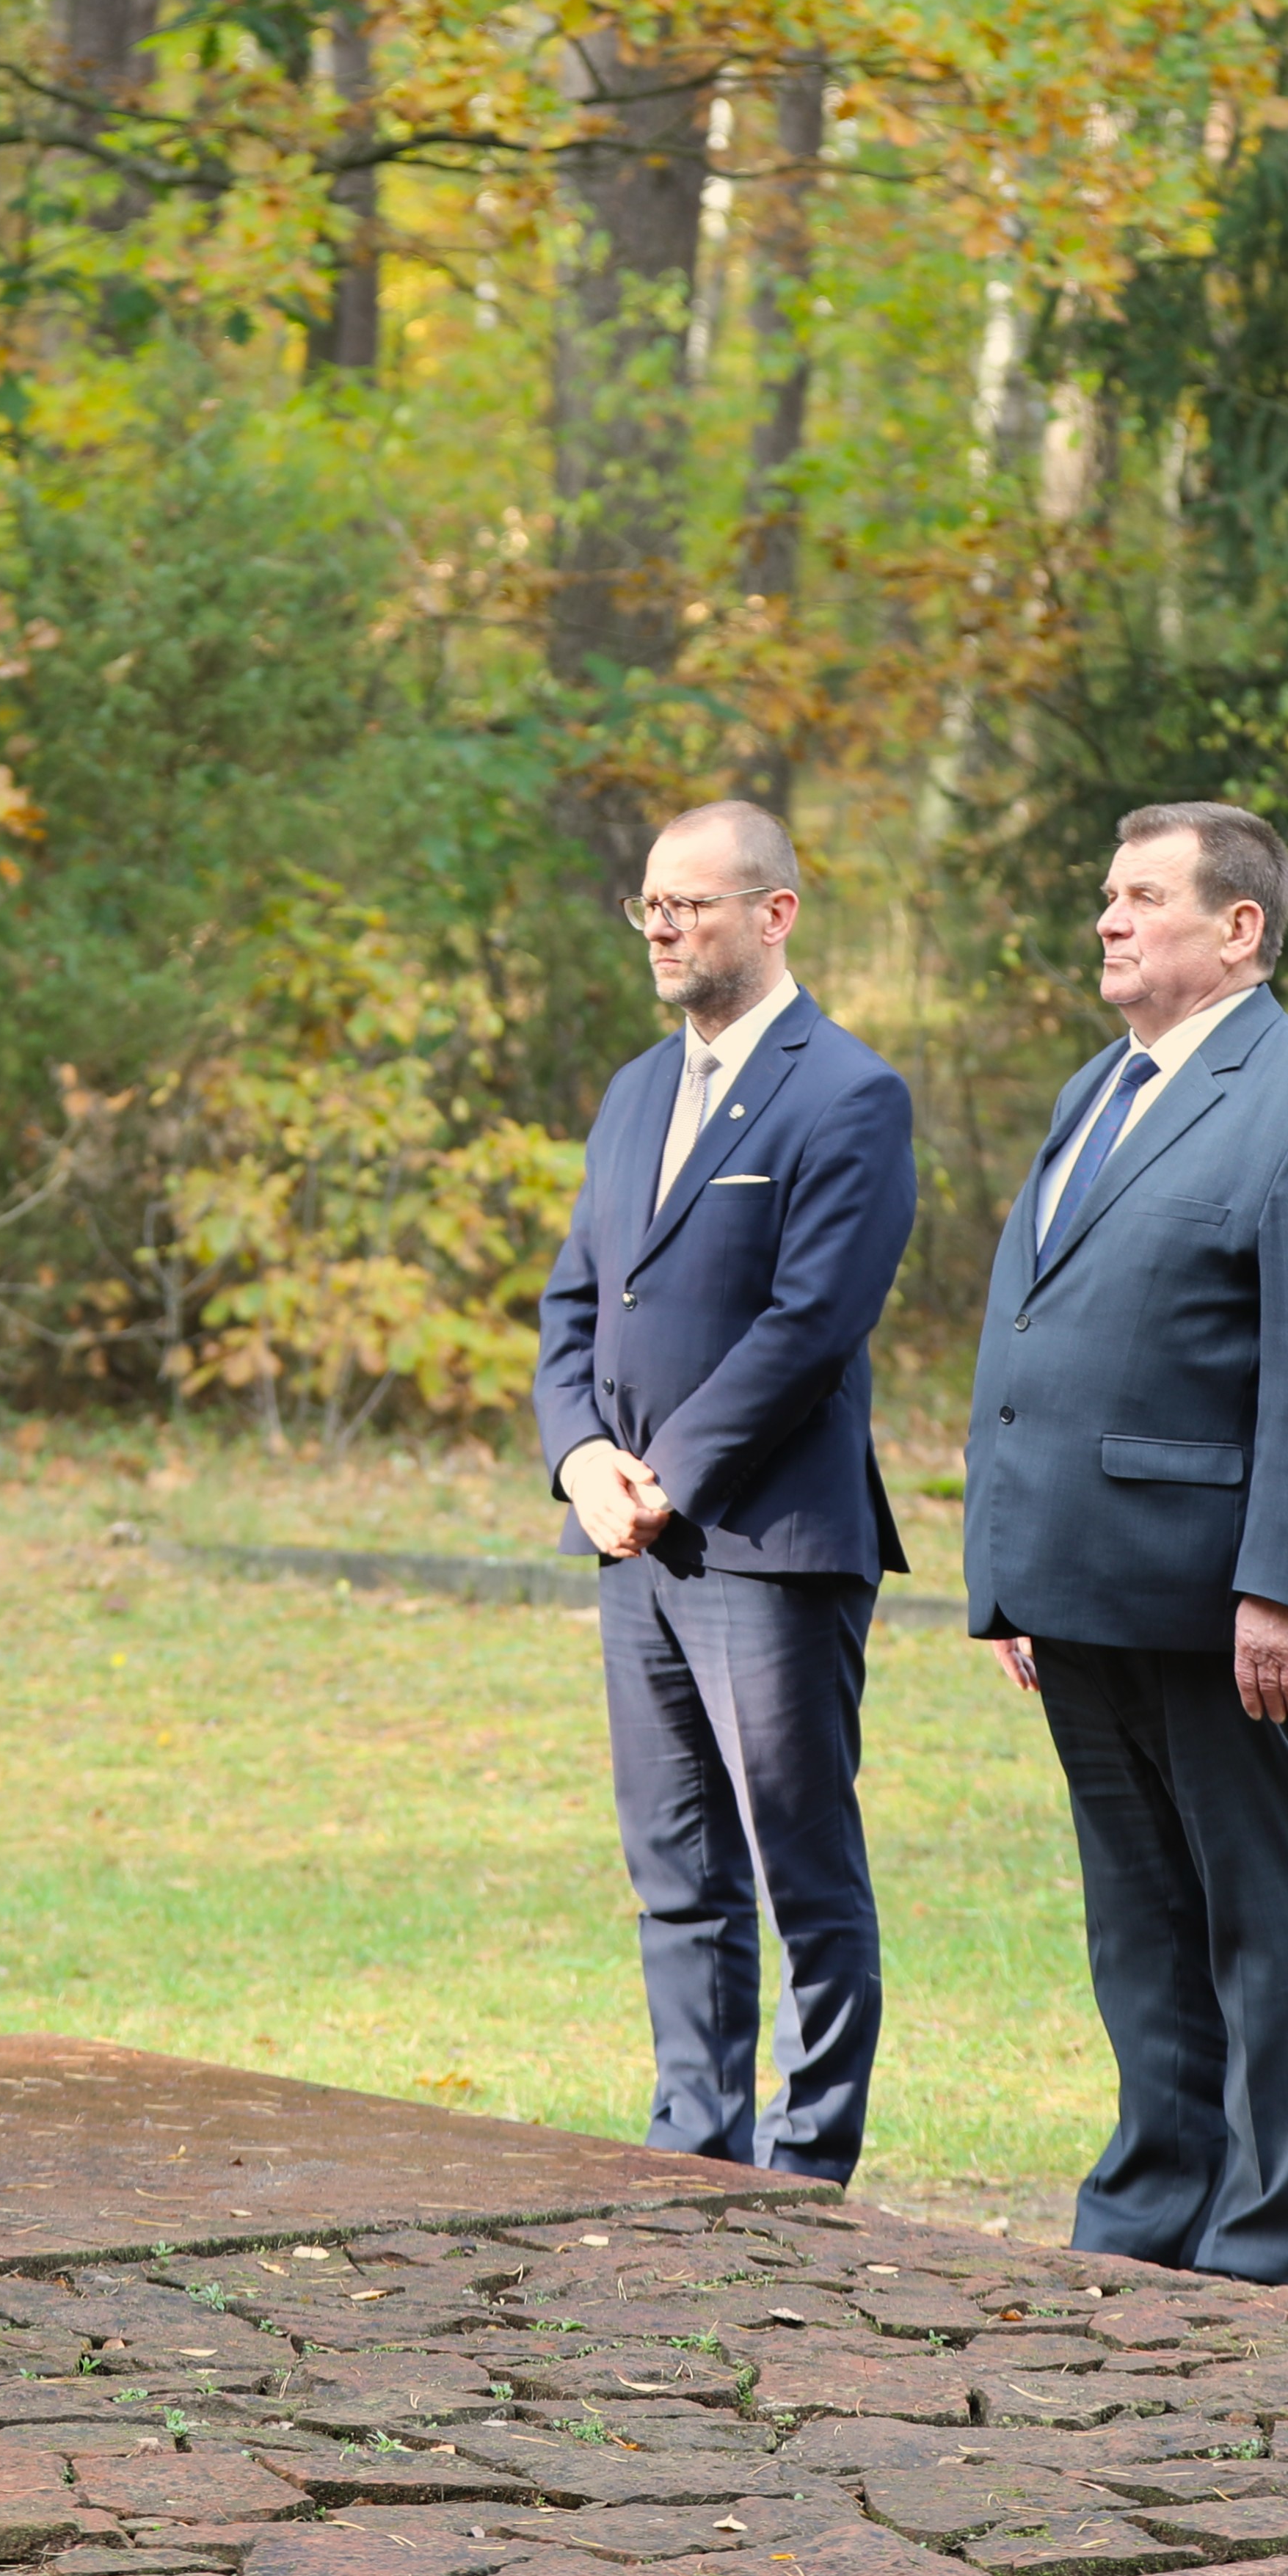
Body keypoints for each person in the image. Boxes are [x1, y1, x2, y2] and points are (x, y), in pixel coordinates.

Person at [961, 801, 1288, 2284]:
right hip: (1076, 1591)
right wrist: (1012, 1570)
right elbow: (1042, 1318)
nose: (1108, 918)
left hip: (1220, 1607)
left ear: (1237, 926)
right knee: (1140, 1933)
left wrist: (1284, 1589)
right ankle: (1146, 2224)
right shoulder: (1099, 1086)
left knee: (1267, 1934)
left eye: (1143, 895)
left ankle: (1260, 2253)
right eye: (1107, 893)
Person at [531, 801, 919, 2184]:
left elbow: (811, 1324)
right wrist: (581, 1460)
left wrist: (667, 1478)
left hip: (769, 1546)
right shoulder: (635, 1090)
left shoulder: (849, 1093)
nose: (661, 926)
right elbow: (575, 1301)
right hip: (630, 1546)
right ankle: (690, 2156)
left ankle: (802, 2169)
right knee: (676, 1872)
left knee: (798, 1870)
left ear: (774, 912)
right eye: (649, 903)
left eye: (690, 903)